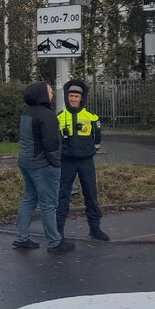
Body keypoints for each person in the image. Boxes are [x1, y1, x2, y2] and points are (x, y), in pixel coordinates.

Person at [13, 82, 71, 253]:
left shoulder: (26, 113)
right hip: (43, 165)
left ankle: (21, 237)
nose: (52, 92)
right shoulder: (46, 115)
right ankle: (54, 241)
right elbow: (51, 144)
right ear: (42, 94)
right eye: (50, 90)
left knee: (29, 199)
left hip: (26, 162)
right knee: (48, 204)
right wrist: (57, 163)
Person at [56, 79, 109, 241]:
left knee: (91, 195)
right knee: (62, 195)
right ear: (67, 97)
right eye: (70, 96)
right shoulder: (60, 117)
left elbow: (97, 139)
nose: (73, 99)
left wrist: (91, 151)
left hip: (86, 162)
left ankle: (95, 229)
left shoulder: (91, 117)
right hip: (67, 162)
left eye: (76, 96)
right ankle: (58, 231)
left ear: (82, 98)